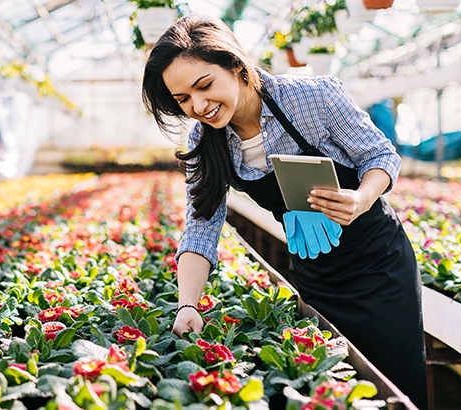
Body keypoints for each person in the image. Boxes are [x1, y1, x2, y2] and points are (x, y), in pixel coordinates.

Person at [141, 14, 427, 410]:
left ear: (237, 66)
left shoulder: (313, 98)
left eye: (204, 86)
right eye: (183, 100)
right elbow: (201, 226)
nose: (199, 106)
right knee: (335, 387)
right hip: (316, 272)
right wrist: (188, 303)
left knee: (398, 381)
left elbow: (378, 154)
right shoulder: (205, 141)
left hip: (380, 266)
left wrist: (361, 197)